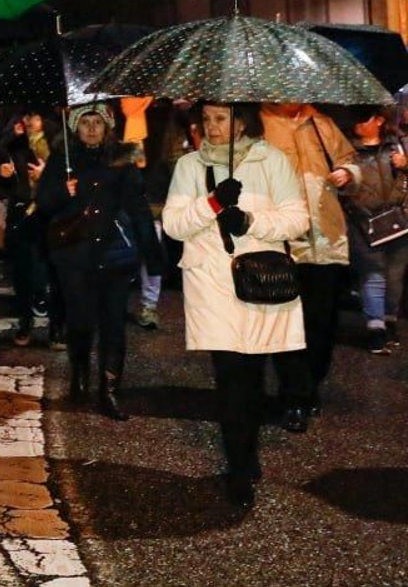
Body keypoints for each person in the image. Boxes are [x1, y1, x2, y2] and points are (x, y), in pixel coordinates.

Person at [162, 101, 308, 508]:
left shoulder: (270, 160)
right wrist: (210, 205)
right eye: (206, 119)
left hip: (260, 282)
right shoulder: (190, 166)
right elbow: (174, 224)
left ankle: (247, 451)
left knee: (254, 373)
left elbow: (298, 219)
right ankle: (239, 467)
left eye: (221, 118)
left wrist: (249, 223)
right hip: (211, 284)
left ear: (241, 121)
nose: (212, 126)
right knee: (231, 377)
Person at [36, 103, 159, 419]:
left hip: (115, 254)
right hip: (75, 256)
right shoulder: (63, 160)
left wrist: (153, 256)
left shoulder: (123, 159)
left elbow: (139, 208)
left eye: (97, 122)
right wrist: (63, 192)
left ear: (108, 127)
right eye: (85, 122)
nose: (91, 128)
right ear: (75, 127)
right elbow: (45, 205)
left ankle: (110, 391)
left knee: (114, 324)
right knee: (79, 322)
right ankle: (79, 379)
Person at [258, 102, 358, 431]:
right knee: (286, 324)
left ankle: (310, 384)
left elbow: (351, 161)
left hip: (327, 239)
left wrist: (348, 174)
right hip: (283, 242)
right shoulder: (260, 123)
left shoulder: (322, 122)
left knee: (322, 324)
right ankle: (293, 396)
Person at [341, 108, 408, 354]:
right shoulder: (345, 147)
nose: (358, 123)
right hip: (362, 221)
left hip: (398, 221)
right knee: (373, 274)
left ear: (380, 121)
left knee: (394, 277)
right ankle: (376, 327)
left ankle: (389, 319)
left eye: (365, 118)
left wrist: (405, 163)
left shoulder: (398, 145)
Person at [0, 109, 51, 346]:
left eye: (35, 117)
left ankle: (56, 323)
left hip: (48, 211)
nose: (30, 121)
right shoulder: (16, 144)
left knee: (47, 266)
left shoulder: (57, 144)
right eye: (27, 116)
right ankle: (25, 321)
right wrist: (5, 171)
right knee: (22, 268)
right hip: (22, 210)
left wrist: (46, 174)